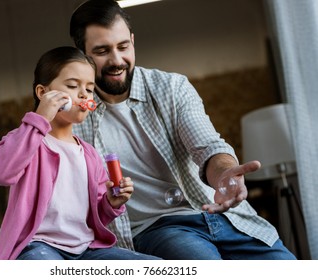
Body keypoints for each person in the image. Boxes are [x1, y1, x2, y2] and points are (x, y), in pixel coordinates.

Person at [69, 0, 296, 260]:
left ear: (132, 40)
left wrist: (223, 173)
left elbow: (207, 146)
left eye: (123, 46)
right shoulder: (74, 116)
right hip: (161, 229)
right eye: (101, 51)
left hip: (222, 216)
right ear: (82, 54)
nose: (117, 60)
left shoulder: (172, 87)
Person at [0, 46, 161, 260]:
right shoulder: (26, 139)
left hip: (86, 249)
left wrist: (110, 203)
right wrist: (39, 119)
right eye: (72, 85)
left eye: (89, 89)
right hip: (38, 246)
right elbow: (1, 173)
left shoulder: (89, 154)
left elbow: (95, 214)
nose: (83, 94)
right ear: (43, 93)